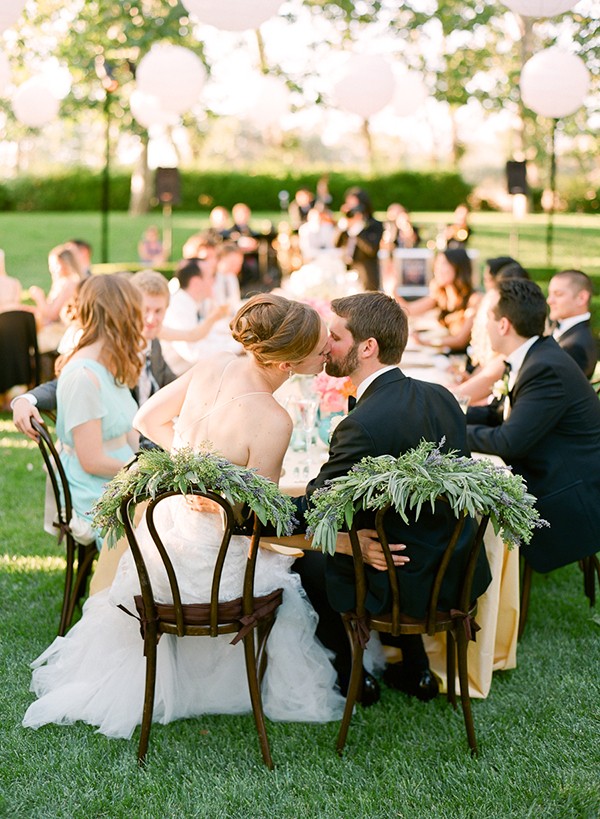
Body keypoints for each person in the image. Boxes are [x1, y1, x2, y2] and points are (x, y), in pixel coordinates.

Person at [23, 294, 345, 738]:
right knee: (295, 569)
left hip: (165, 544)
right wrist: (329, 540)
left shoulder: (215, 363)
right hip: (216, 566)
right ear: (287, 364)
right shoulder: (273, 419)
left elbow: (147, 417)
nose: (327, 350)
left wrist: (193, 473)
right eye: (319, 349)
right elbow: (257, 523)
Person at [287, 293, 492, 703]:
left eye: (336, 337)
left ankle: (353, 676)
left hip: (399, 583)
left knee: (305, 559)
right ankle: (416, 670)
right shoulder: (442, 398)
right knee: (372, 537)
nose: (327, 345)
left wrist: (250, 510)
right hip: (453, 573)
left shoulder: (361, 424)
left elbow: (318, 510)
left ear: (368, 347)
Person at [467, 278, 600, 574]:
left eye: (487, 318)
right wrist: (442, 411)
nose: (484, 326)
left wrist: (444, 431)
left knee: (460, 519)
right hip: (549, 474)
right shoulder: (536, 355)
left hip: (563, 500)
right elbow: (496, 413)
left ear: (503, 325)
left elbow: (507, 442)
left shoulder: (545, 367)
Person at [12, 270, 176, 442]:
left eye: (158, 311)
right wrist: (26, 399)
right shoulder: (112, 350)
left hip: (151, 434)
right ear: (129, 308)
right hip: (125, 442)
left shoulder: (153, 344)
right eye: (145, 310)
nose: (151, 319)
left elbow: (170, 381)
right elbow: (69, 381)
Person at [44, 275, 144, 548]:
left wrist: (157, 462)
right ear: (119, 316)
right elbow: (92, 460)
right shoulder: (83, 377)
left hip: (120, 475)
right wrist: (143, 475)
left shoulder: (110, 363)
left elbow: (128, 433)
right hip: (95, 489)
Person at [399, 248, 480, 353]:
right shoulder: (441, 295)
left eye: (443, 264)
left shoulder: (474, 300)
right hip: (446, 357)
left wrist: (425, 342)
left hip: (464, 361)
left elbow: (460, 341)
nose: (438, 269)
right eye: (437, 264)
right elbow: (408, 310)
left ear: (458, 267)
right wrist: (391, 289)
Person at [160, 258, 231, 375]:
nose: (214, 281)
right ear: (196, 283)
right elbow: (194, 353)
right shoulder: (178, 307)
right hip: (172, 379)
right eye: (210, 276)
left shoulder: (188, 303)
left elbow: (207, 337)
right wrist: (238, 348)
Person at [30, 244, 86, 354]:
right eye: (51, 265)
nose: (53, 269)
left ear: (67, 264)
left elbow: (52, 314)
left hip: (61, 332)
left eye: (56, 265)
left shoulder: (70, 283)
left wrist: (39, 297)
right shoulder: (61, 283)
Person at [547, 269, 597, 380]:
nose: (549, 300)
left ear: (582, 298)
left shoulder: (577, 346)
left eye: (558, 294)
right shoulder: (555, 328)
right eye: (550, 294)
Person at [334, 187, 384, 291]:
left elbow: (372, 250)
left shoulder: (374, 224)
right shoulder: (346, 223)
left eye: (355, 205)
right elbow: (336, 244)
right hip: (347, 268)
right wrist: (343, 227)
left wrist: (358, 229)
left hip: (366, 272)